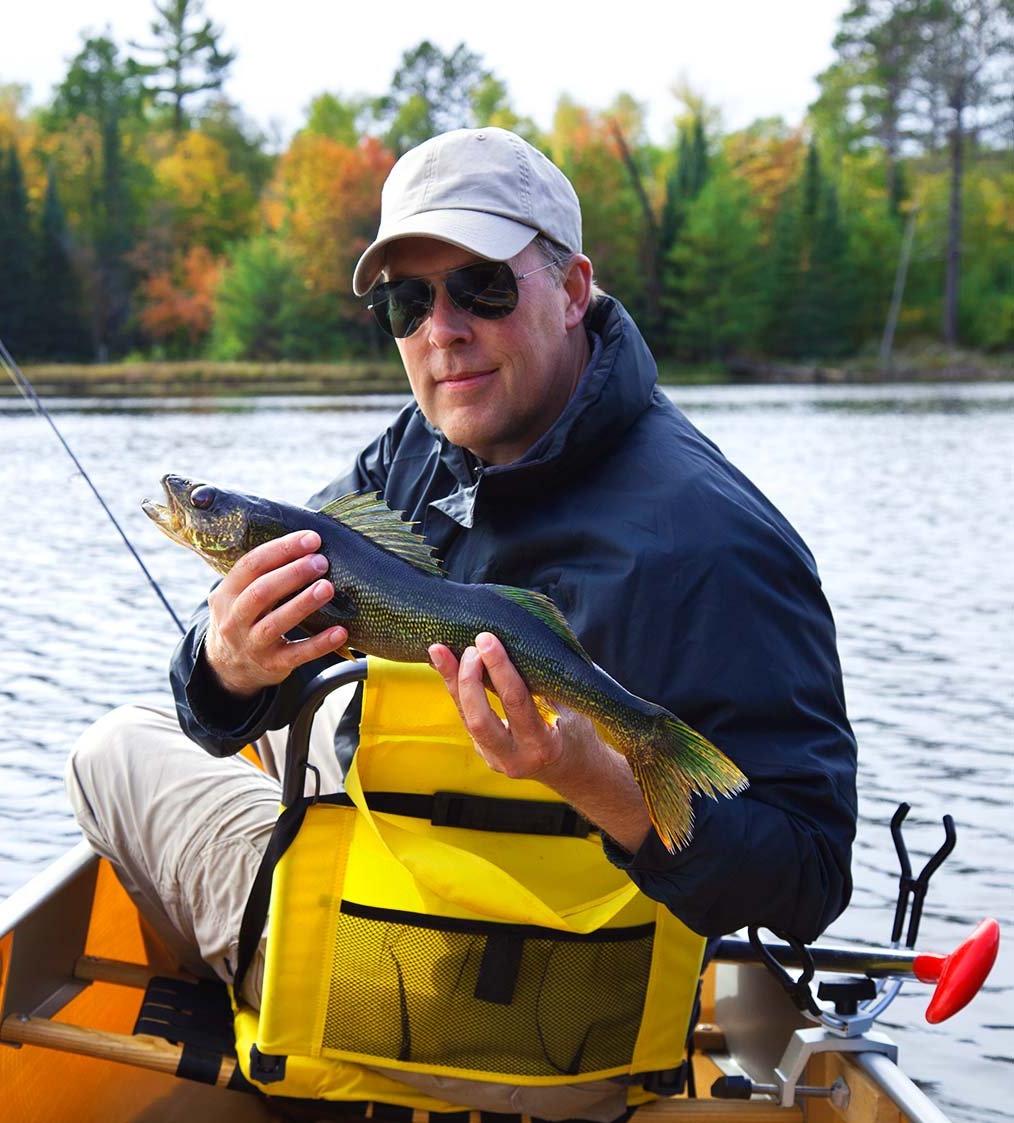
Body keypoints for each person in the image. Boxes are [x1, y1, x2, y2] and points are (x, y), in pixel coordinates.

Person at [66, 126, 857, 1110]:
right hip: (532, 1024)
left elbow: (810, 873)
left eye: (481, 285)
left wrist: (601, 782)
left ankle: (258, 1037)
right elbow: (220, 704)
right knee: (203, 724)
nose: (441, 328)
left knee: (110, 751)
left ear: (573, 291)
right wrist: (222, 663)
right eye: (406, 302)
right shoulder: (409, 457)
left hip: (411, 1010)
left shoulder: (720, 545)